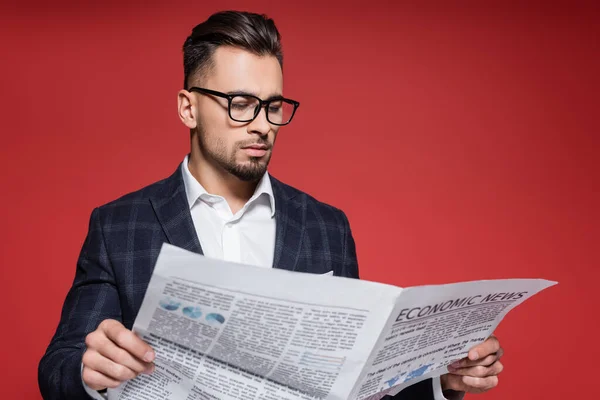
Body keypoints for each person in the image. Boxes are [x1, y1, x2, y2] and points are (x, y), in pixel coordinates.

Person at [38, 10, 504, 400]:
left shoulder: (327, 227)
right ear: (188, 108)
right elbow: (56, 368)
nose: (262, 125)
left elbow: (358, 383)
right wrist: (87, 370)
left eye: (274, 105)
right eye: (240, 102)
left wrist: (441, 379)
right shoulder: (119, 225)